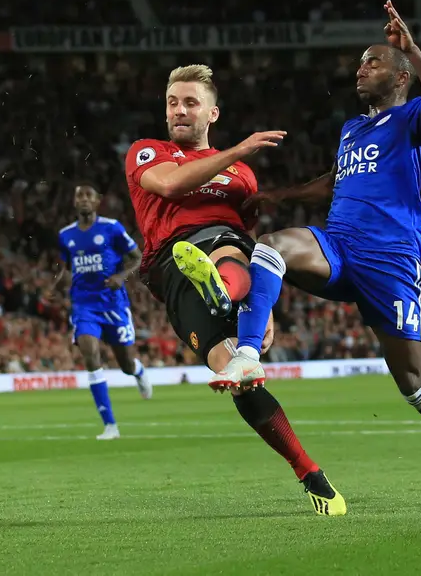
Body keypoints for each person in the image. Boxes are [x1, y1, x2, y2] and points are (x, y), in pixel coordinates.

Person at [212, 1, 421, 504]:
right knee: (272, 245)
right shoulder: (352, 129)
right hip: (337, 246)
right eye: (360, 62)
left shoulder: (411, 120)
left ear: (402, 76)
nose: (360, 69)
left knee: (412, 383)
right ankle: (248, 355)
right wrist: (281, 196)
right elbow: (334, 183)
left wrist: (413, 48)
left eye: (373, 61)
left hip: (390, 262)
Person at [125, 63, 345, 516]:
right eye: (172, 103)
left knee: (239, 367)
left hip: (228, 251)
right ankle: (223, 290)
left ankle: (310, 474)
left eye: (190, 103)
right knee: (219, 263)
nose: (179, 111)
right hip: (173, 263)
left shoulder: (243, 176)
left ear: (212, 113)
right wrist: (239, 149)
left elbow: (251, 237)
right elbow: (168, 185)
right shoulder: (147, 152)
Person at [50, 185, 150, 440]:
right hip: (84, 305)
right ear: (74, 203)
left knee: (125, 363)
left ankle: (137, 371)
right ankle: (110, 425)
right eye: (79, 196)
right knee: (90, 355)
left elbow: (138, 257)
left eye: (88, 196)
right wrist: (58, 282)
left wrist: (120, 276)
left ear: (97, 201)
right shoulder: (66, 235)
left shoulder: (112, 228)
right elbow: (67, 269)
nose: (83, 200)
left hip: (114, 304)